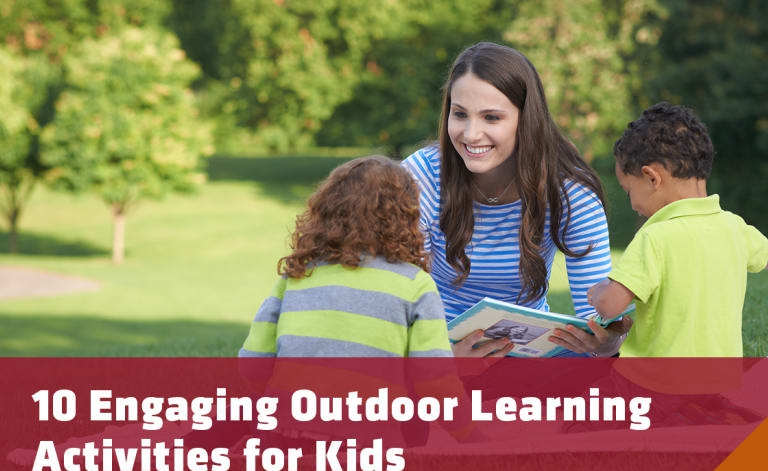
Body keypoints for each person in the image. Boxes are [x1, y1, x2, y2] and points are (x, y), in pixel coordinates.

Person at [403, 42, 629, 357]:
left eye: (491, 118)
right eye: (460, 114)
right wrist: (440, 359)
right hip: (437, 347)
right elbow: (399, 301)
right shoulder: (419, 178)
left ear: (526, 119)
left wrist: (606, 342)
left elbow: (595, 315)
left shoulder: (569, 191)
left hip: (531, 352)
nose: (470, 134)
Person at [571, 102, 768, 357]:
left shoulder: (654, 237)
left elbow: (610, 306)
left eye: (628, 191)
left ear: (651, 178)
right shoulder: (735, 227)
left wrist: (599, 291)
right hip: (720, 383)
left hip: (655, 386)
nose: (632, 204)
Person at [239, 155, 454, 358]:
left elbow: (252, 363)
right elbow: (434, 382)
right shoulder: (416, 284)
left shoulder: (297, 275)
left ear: (325, 209)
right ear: (408, 218)